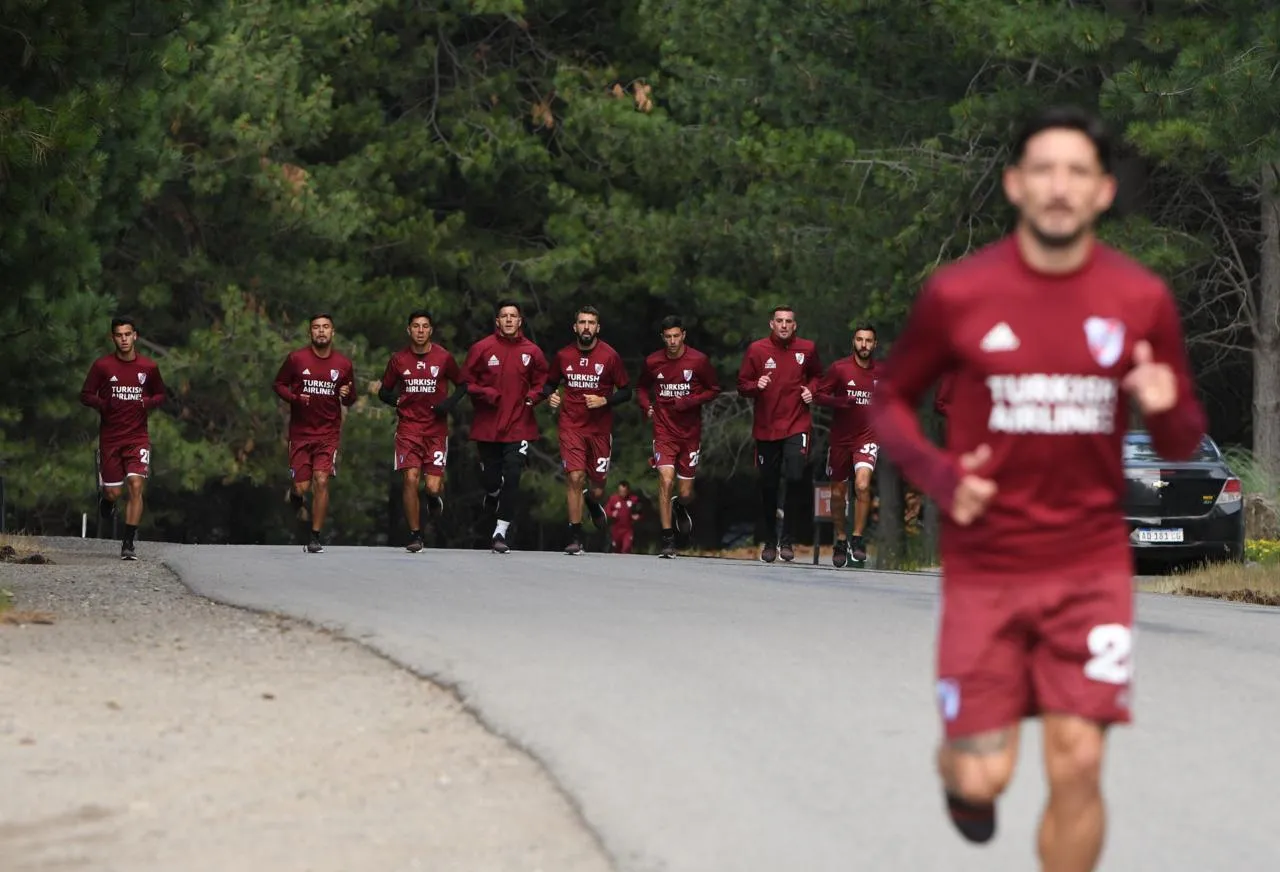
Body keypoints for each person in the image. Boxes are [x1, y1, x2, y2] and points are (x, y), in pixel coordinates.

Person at [870, 106, 1207, 871]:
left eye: (1078, 172)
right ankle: (960, 775)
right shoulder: (960, 293)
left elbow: (1184, 437)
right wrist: (940, 475)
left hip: (1089, 567)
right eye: (1044, 171)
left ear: (1102, 191)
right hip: (986, 569)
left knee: (1079, 762)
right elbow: (888, 401)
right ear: (1015, 185)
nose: (1060, 187)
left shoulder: (1139, 298)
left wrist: (1164, 403)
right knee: (987, 771)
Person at [540, 306, 632, 555]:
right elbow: (548, 384)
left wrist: (605, 400)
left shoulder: (610, 356)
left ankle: (591, 502)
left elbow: (626, 391)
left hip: (600, 430)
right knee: (575, 477)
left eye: (591, 322)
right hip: (571, 426)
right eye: (582, 322)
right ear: (575, 327)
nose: (587, 327)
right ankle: (575, 536)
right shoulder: (563, 356)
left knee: (597, 488)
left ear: (598, 328)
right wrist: (551, 397)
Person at [736, 306, 823, 563]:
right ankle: (770, 540)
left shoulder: (807, 349)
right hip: (766, 427)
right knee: (768, 484)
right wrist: (755, 385)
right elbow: (742, 385)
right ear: (771, 324)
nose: (784, 325)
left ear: (795, 326)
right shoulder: (757, 350)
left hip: (797, 423)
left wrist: (812, 390)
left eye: (789, 322)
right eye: (779, 321)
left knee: (796, 476)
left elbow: (818, 375)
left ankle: (788, 539)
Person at [377, 309, 467, 552]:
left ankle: (433, 498)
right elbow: (383, 392)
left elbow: (462, 386)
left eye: (424, 326)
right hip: (408, 430)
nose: (420, 331)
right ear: (409, 330)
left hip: (436, 431)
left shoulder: (444, 357)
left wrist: (446, 405)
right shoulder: (398, 360)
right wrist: (397, 401)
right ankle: (416, 534)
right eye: (415, 326)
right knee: (410, 479)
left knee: (432, 486)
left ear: (431, 330)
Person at [463, 299, 549, 554]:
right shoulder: (482, 348)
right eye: (504, 316)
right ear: (497, 321)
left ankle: (500, 531)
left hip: (518, 423)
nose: (509, 320)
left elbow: (543, 381)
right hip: (488, 424)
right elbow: (465, 382)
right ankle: (492, 493)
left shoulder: (532, 351)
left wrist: (534, 397)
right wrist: (485, 393)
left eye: (514, 316)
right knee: (492, 479)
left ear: (520, 321)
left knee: (512, 475)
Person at [79, 316, 167, 560]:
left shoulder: (148, 367)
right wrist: (103, 405)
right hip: (111, 438)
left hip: (137, 436)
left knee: (137, 485)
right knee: (113, 493)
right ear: (113, 338)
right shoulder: (102, 366)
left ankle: (128, 544)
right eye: (119, 335)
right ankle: (106, 501)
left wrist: (146, 402)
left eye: (128, 334)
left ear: (135, 336)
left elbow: (161, 394)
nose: (124, 339)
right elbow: (85, 394)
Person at [636, 315, 722, 558]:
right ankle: (667, 538)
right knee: (665, 479)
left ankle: (679, 505)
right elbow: (641, 387)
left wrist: (690, 401)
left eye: (676, 336)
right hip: (663, 431)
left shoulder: (698, 360)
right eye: (668, 337)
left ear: (683, 335)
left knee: (685, 492)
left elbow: (713, 389)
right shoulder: (653, 361)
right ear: (662, 337)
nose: (672, 341)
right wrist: (647, 406)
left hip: (690, 433)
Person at [272, 313, 357, 554]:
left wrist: (346, 394)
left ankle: (315, 536)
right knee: (301, 488)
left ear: (333, 332)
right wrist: (295, 398)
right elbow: (278, 384)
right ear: (310, 333)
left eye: (326, 327)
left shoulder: (343, 364)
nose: (321, 331)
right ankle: (295, 496)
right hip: (300, 434)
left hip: (328, 434)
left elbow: (351, 398)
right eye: (316, 327)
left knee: (321, 480)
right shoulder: (296, 359)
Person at [815, 324, 878, 566]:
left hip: (867, 438)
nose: (864, 345)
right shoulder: (840, 369)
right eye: (860, 340)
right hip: (840, 440)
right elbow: (819, 395)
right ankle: (840, 539)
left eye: (869, 341)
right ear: (854, 342)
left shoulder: (881, 372)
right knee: (838, 495)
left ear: (875, 345)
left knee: (862, 485)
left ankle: (858, 538)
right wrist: (840, 402)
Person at [605, 481, 642, 554]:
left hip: (627, 530)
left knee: (626, 548)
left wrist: (638, 516)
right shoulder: (613, 499)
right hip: (616, 530)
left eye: (624, 491)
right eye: (620, 491)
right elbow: (606, 510)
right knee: (616, 550)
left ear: (628, 491)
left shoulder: (634, 499)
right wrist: (612, 513)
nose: (622, 493)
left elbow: (640, 511)